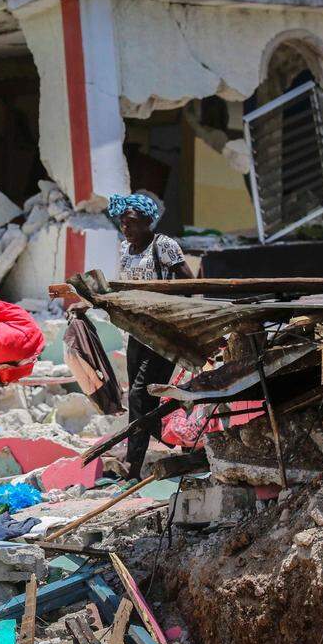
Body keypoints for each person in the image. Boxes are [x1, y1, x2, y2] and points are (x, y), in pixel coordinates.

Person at [108, 193, 193, 480]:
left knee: (140, 394)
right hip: (136, 332)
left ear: (147, 221)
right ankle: (168, 441)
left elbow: (189, 282)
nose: (126, 229)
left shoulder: (164, 245)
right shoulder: (125, 249)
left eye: (131, 223)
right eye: (122, 223)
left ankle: (133, 464)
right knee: (139, 395)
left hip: (162, 333)